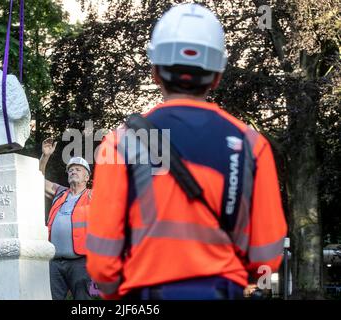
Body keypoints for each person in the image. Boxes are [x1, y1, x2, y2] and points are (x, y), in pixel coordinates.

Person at [86, 3, 287, 300]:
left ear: (155, 72)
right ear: (217, 76)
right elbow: (266, 256)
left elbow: (103, 263)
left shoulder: (120, 143)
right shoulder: (252, 146)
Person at [39, 138, 93, 300]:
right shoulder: (60, 193)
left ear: (86, 177)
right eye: (70, 170)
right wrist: (45, 156)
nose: (73, 172)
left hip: (81, 262)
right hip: (55, 262)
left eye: (78, 169)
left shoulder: (94, 195)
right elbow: (37, 179)